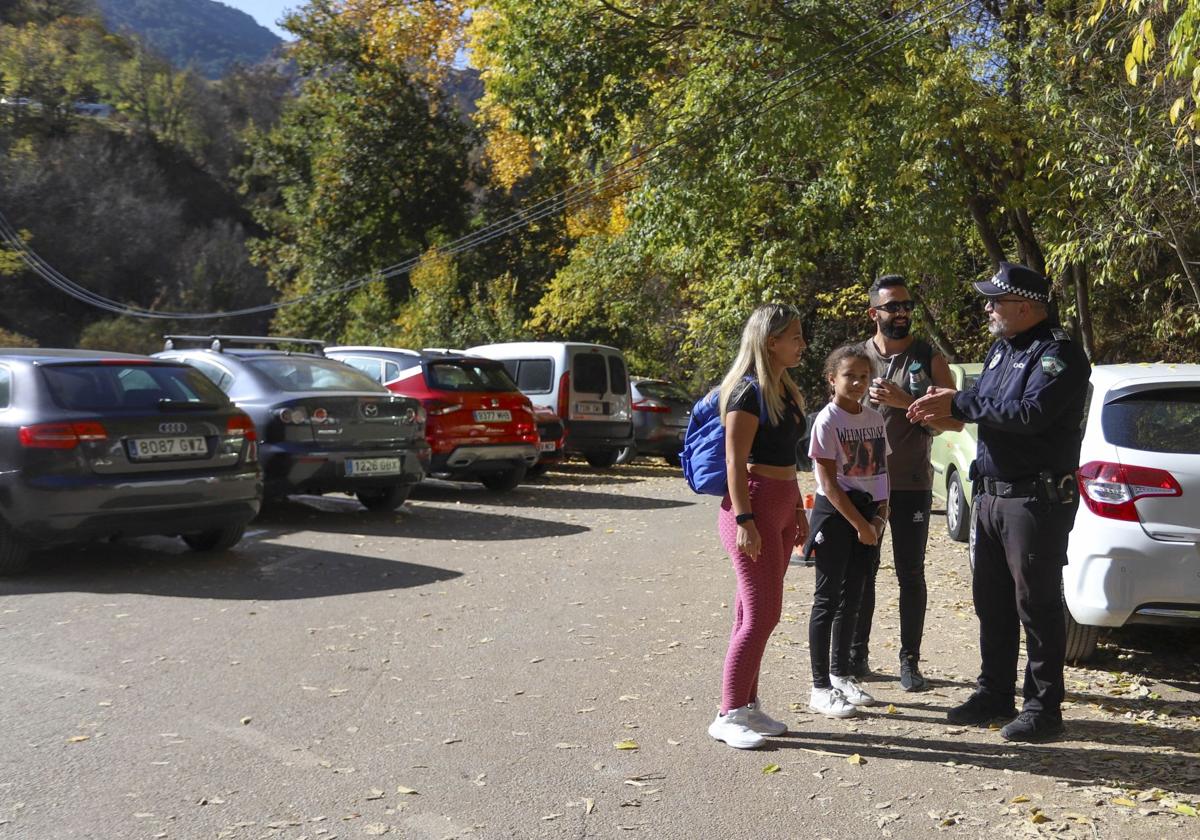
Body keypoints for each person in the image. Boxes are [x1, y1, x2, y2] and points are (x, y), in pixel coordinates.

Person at [908, 263, 1090, 742]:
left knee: (1037, 604)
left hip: (1034, 500)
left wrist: (961, 402)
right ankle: (993, 693)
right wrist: (951, 403)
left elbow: (1030, 414)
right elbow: (986, 409)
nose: (987, 308)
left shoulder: (1061, 355)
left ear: (1025, 306)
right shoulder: (1000, 349)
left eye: (995, 300)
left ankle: (1043, 709)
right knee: (991, 602)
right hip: (990, 496)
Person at [852, 275, 963, 691]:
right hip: (863, 486)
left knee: (910, 573)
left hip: (912, 483)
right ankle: (855, 654)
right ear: (873, 313)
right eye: (892, 306)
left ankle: (909, 661)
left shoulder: (928, 358)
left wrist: (906, 402)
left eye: (906, 306)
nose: (901, 313)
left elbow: (954, 421)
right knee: (863, 571)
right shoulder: (855, 359)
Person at [707, 303, 810, 750]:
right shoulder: (747, 392)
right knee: (763, 614)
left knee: (752, 613)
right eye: (795, 337)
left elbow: (788, 458)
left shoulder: (782, 389)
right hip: (753, 507)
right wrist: (746, 519)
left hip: (783, 503)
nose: (802, 344)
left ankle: (745, 704)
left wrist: (800, 510)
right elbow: (735, 459)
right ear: (771, 341)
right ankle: (728, 714)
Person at [803, 344, 890, 718]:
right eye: (849, 375)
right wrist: (859, 524)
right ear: (832, 379)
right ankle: (819, 686)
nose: (856, 382)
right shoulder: (827, 421)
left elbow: (882, 473)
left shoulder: (875, 419)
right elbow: (829, 482)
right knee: (828, 600)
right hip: (837, 517)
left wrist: (879, 519)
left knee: (854, 597)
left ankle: (841, 675)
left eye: (863, 376)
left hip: (869, 520)